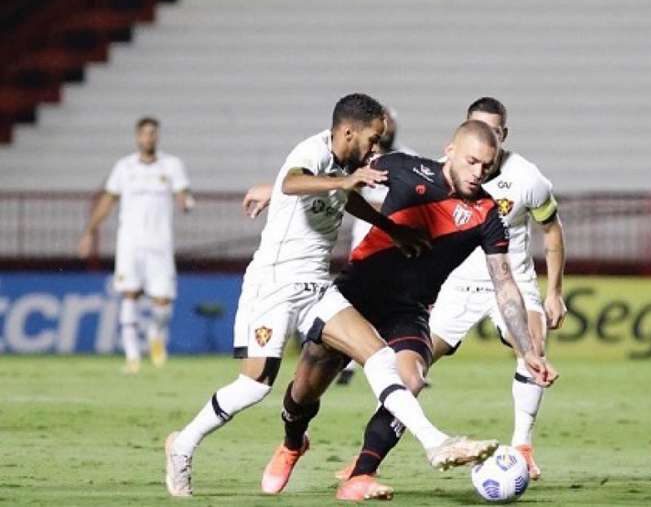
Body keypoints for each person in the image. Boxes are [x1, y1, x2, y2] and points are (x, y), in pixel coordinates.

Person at [164, 93, 498, 498]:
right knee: (255, 386)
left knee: (379, 357)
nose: (376, 148)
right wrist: (323, 183)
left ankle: (435, 442)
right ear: (348, 132)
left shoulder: (347, 166)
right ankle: (182, 444)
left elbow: (346, 196)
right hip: (273, 285)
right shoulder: (313, 151)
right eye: (373, 139)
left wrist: (389, 227)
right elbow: (293, 181)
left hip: (317, 288)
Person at [262, 119, 558, 501]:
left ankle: (361, 475)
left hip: (409, 310)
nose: (478, 173)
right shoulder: (405, 168)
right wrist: (272, 192)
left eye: (487, 166)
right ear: (449, 151)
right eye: (471, 162)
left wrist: (528, 350)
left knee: (411, 379)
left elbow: (504, 284)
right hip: (355, 296)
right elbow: (340, 178)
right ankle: (291, 444)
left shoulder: (487, 214)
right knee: (304, 390)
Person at [429, 97, 567, 479]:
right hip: (457, 285)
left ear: (504, 134)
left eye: (495, 130)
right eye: (479, 127)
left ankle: (522, 446)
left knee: (533, 351)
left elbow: (552, 229)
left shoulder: (527, 178)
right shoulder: (447, 173)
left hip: (514, 281)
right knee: (411, 364)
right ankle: (367, 460)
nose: (487, 136)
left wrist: (554, 291)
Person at [78, 117, 193, 374]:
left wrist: (186, 202)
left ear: (157, 136)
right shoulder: (124, 167)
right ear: (137, 137)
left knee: (162, 302)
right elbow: (108, 201)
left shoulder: (172, 165)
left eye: (153, 133)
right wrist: (89, 231)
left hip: (160, 245)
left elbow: (183, 195)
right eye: (144, 134)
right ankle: (132, 357)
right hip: (130, 244)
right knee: (129, 294)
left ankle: (155, 336)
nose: (149, 138)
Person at [338, 107, 414, 386]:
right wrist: (383, 211)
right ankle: (345, 360)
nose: (388, 127)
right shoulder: (361, 160)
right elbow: (348, 195)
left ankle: (405, 362)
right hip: (367, 241)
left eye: (391, 122)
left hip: (397, 243)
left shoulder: (409, 157)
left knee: (397, 302)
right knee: (355, 302)